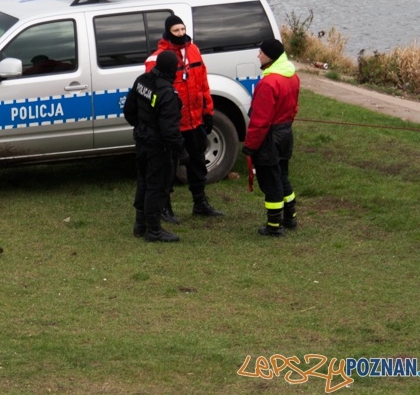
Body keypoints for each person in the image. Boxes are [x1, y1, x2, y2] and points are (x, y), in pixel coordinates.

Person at [144, 14, 225, 221]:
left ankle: (200, 203)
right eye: (176, 31)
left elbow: (203, 84)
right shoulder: (157, 59)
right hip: (172, 126)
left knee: (198, 163)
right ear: (167, 32)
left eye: (182, 29)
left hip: (195, 120)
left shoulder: (194, 50)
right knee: (168, 168)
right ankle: (165, 207)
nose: (181, 34)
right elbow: (154, 93)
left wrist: (208, 112)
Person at [243, 38, 301, 237]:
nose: (258, 55)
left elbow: (260, 121)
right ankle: (290, 217)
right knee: (283, 175)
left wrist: (250, 147)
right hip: (285, 133)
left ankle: (274, 226)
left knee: (270, 180)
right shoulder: (292, 76)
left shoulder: (268, 83)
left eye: (261, 52)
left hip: (270, 137)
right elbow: (294, 108)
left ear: (270, 56)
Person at [125, 50, 185, 243]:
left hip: (142, 141)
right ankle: (153, 230)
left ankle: (140, 225)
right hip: (159, 147)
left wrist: (143, 128)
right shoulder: (167, 92)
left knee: (143, 181)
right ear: (172, 69)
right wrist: (182, 151)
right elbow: (170, 130)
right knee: (157, 187)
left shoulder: (142, 80)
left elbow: (129, 111)